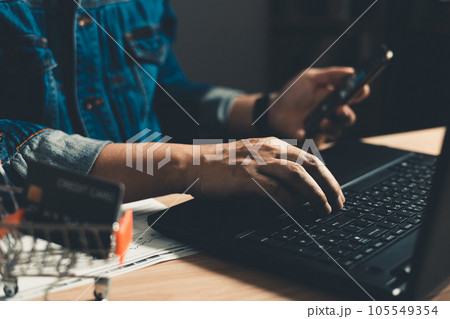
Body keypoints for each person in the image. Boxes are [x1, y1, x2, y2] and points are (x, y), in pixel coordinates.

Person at [0, 0, 369, 216]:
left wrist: (267, 109)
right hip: (32, 236)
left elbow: (164, 92)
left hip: (153, 223)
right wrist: (189, 164)